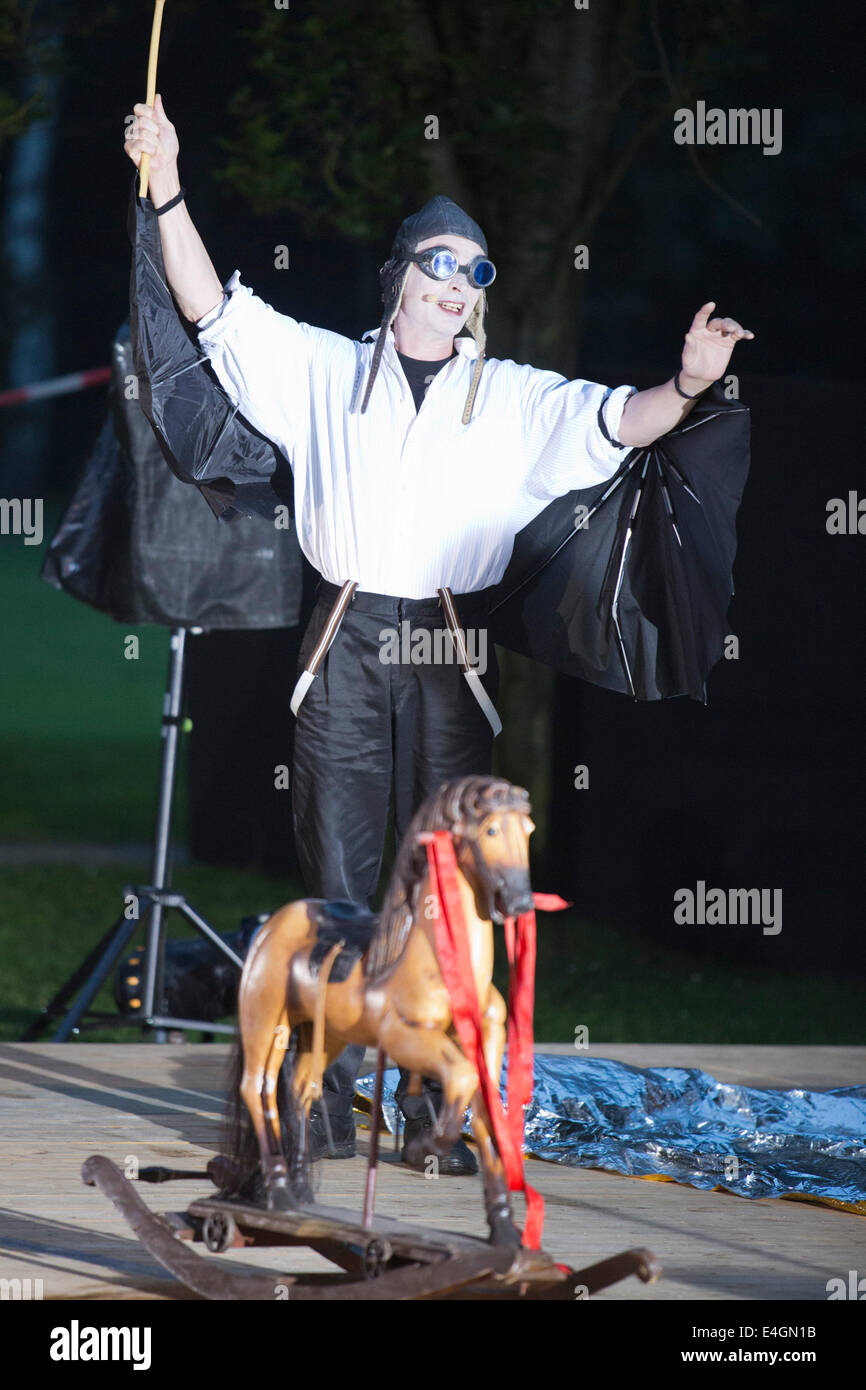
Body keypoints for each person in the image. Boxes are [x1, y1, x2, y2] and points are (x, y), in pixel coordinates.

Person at [124, 95, 754, 1174]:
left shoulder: (508, 397)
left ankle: (430, 1102)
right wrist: (168, 181)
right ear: (402, 277)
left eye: (475, 274)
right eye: (442, 265)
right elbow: (209, 311)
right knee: (335, 868)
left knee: (448, 880)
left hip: (450, 643)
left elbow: (615, 419)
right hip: (345, 635)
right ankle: (313, 1091)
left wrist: (688, 385)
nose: (459, 285)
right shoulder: (322, 370)